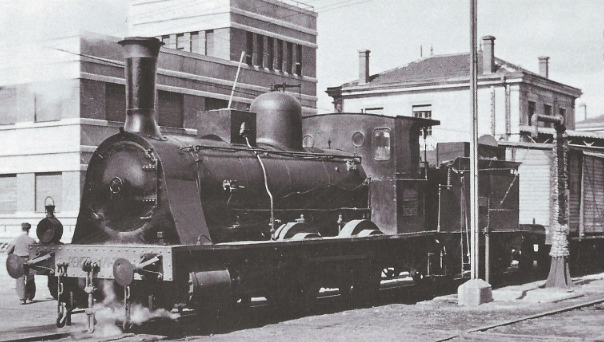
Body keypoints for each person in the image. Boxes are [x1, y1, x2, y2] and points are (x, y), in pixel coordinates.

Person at [7, 223, 36, 304]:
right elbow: (36, 252)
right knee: (30, 278)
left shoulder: (16, 240)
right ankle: (30, 297)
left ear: (21, 229)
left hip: (19, 261)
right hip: (30, 261)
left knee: (20, 278)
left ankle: (22, 299)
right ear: (29, 230)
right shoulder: (32, 240)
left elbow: (8, 251)